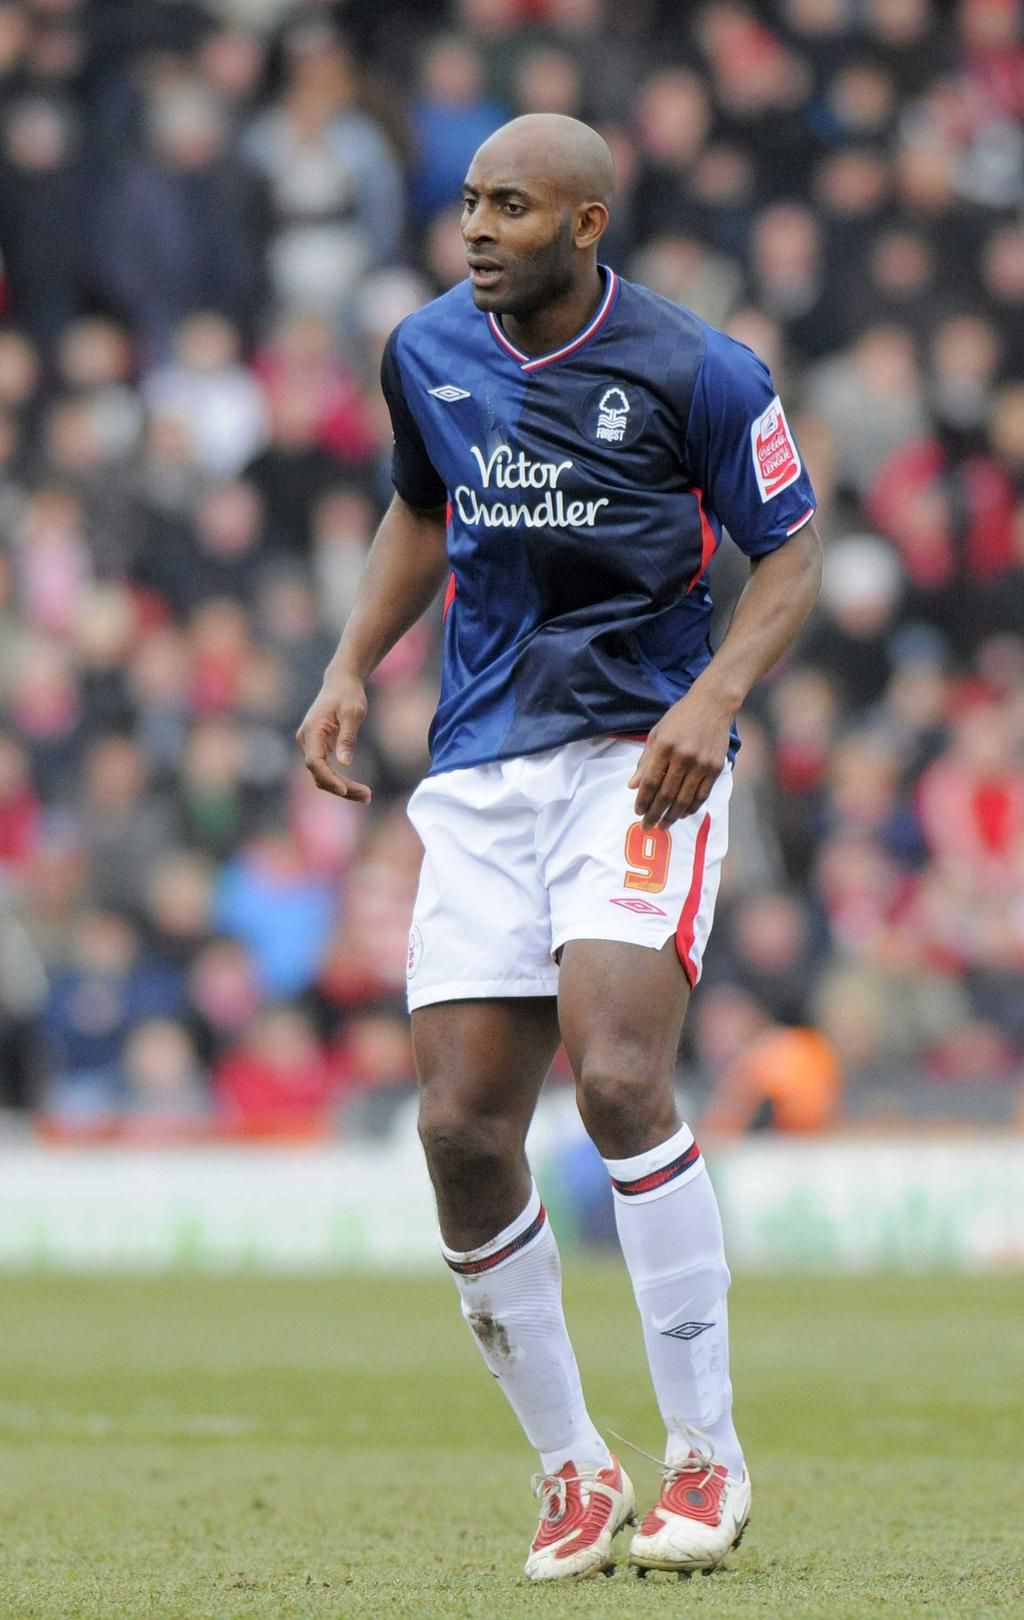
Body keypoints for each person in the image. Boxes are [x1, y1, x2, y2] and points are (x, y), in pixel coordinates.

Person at [297, 113, 822, 1583]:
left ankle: (705, 1453)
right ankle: (573, 1471)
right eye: (469, 203)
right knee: (461, 1130)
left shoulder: (698, 369)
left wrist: (715, 701)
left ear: (588, 225)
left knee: (613, 1073)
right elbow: (423, 504)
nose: (476, 229)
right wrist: (350, 666)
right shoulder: (427, 352)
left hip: (638, 762)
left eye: (511, 207)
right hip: (480, 770)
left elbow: (792, 543)